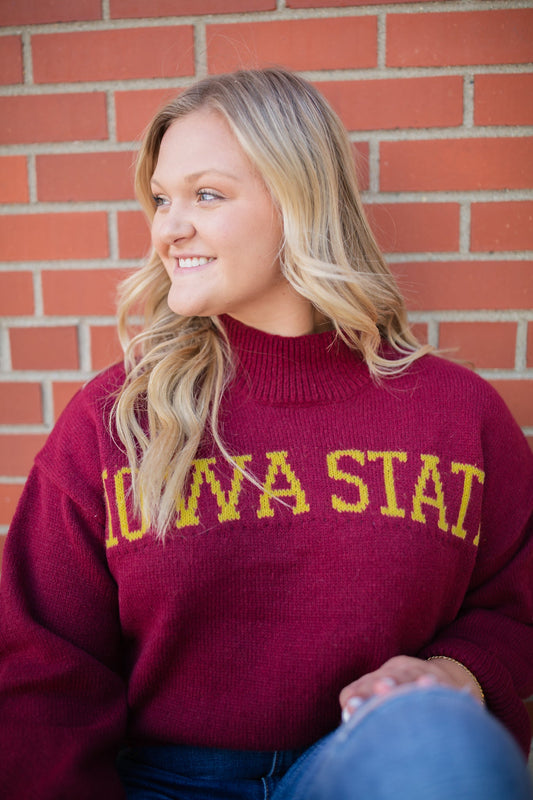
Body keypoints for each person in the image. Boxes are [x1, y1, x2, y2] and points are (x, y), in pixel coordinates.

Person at [1, 67, 532, 800]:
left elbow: (516, 603)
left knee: (435, 741)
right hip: (163, 782)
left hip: (360, 767)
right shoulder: (115, 419)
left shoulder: (454, 412)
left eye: (206, 195)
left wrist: (453, 675)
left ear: (299, 201)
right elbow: (44, 669)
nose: (169, 228)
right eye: (162, 198)